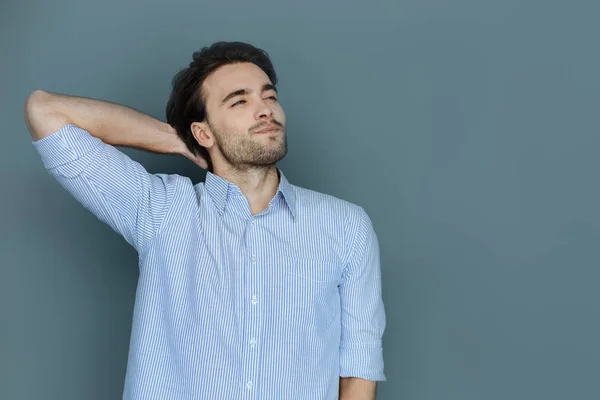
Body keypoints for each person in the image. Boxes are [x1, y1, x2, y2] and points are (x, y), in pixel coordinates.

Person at [24, 41, 386, 400]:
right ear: (203, 132)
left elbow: (358, 370)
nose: (265, 111)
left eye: (269, 97)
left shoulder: (345, 226)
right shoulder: (160, 210)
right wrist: (177, 141)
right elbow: (44, 111)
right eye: (239, 101)